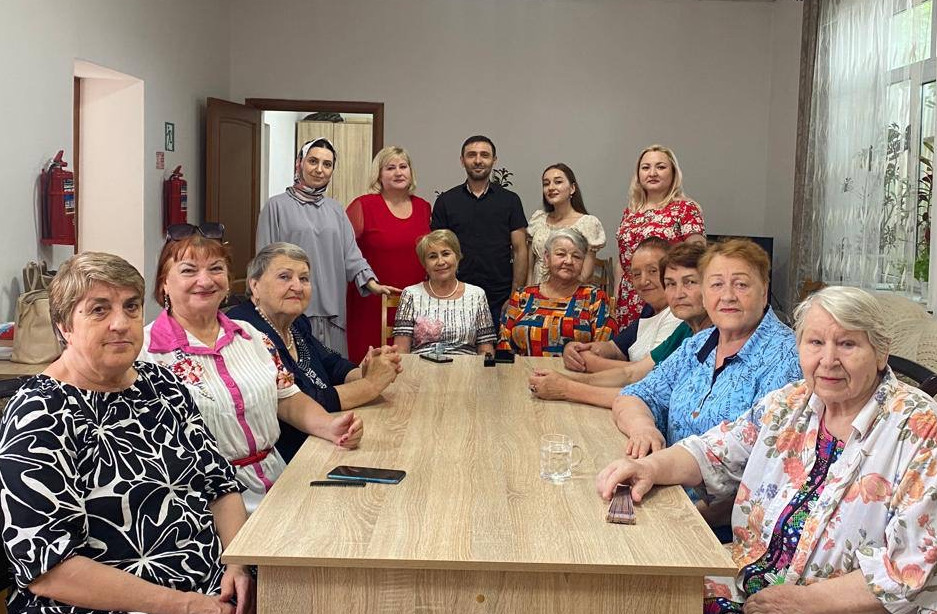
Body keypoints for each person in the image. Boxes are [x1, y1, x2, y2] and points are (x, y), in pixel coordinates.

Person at [598, 286, 937, 613]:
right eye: (815, 342)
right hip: (747, 582)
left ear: (880, 353)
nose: (828, 359)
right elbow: (714, 451)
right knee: (629, 590)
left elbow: (910, 568)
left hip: (830, 608)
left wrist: (803, 603)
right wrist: (650, 468)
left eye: (847, 344)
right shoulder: (791, 401)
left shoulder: (922, 428)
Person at [0, 252, 254, 614]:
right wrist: (186, 606)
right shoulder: (40, 413)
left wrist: (238, 565)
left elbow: (220, 486)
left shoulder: (162, 384)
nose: (120, 323)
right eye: (99, 310)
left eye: (131, 307)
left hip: (213, 592)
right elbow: (48, 569)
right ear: (64, 326)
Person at [139, 224, 363, 511]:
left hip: (277, 483)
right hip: (204, 502)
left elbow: (287, 398)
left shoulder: (252, 336)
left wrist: (330, 426)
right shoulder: (146, 353)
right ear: (164, 284)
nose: (205, 280)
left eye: (216, 269)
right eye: (189, 270)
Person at [613, 239, 801, 459]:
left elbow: (754, 450)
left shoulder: (788, 357)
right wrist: (643, 429)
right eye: (716, 284)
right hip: (663, 473)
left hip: (699, 479)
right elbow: (634, 395)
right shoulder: (699, 344)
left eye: (741, 284)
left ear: (764, 291)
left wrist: (661, 466)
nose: (727, 296)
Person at [228, 242, 401, 463]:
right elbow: (303, 399)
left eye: (304, 279)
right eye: (284, 277)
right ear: (255, 285)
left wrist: (368, 370)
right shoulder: (244, 330)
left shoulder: (296, 322)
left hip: (324, 437)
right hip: (286, 454)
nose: (297, 287)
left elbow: (333, 364)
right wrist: (370, 385)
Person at [256, 137, 398, 357]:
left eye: (327, 164)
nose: (319, 170)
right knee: (298, 369)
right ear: (299, 163)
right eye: (313, 161)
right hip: (291, 308)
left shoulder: (335, 209)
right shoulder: (276, 206)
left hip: (332, 311)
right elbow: (264, 261)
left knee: (334, 369)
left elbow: (351, 254)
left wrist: (372, 283)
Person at [529, 242, 710, 408]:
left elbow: (648, 394)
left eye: (690, 282)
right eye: (670, 284)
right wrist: (566, 379)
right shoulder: (685, 329)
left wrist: (566, 388)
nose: (678, 294)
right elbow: (632, 373)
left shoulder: (709, 334)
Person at [431, 135, 528, 328]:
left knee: (498, 348)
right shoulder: (446, 201)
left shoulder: (510, 201)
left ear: (494, 160)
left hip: (500, 299)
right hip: (456, 296)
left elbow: (520, 250)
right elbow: (437, 251)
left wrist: (515, 295)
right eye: (471, 155)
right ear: (462, 160)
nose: (478, 160)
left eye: (484, 155)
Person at [345, 146, 431, 362]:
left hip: (413, 303)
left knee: (410, 366)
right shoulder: (363, 206)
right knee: (369, 365)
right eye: (390, 168)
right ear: (379, 175)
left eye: (403, 166)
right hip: (371, 302)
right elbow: (345, 252)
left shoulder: (424, 207)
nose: (398, 172)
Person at [615, 144, 705, 327]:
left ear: (673, 173)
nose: (652, 173)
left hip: (666, 295)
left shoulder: (685, 209)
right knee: (628, 342)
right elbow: (622, 260)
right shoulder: (631, 212)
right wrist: (616, 294)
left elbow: (698, 256)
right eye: (646, 167)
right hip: (629, 297)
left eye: (661, 167)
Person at [563, 237, 680, 373]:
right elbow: (615, 348)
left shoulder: (678, 315)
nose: (643, 281)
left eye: (653, 271)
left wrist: (589, 362)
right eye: (636, 274)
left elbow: (652, 371)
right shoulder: (649, 310)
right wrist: (577, 350)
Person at [498, 228, 617, 357]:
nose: (569, 261)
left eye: (576, 256)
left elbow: (604, 351)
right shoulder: (522, 296)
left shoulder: (595, 298)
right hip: (523, 369)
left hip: (578, 369)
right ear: (547, 257)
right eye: (561, 254)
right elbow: (504, 346)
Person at [393, 230, 497, 356]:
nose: (441, 262)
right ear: (425, 264)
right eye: (432, 256)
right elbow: (401, 351)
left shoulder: (477, 295)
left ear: (457, 257)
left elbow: (486, 351)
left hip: (466, 366)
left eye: (446, 254)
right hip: (422, 366)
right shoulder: (410, 294)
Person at [527, 163, 605, 284]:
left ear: (572, 188)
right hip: (537, 289)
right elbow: (530, 269)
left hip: (571, 291)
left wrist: (556, 290)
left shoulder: (587, 223)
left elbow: (586, 275)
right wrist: (529, 292)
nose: (551, 187)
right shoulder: (538, 219)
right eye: (546, 184)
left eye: (558, 182)